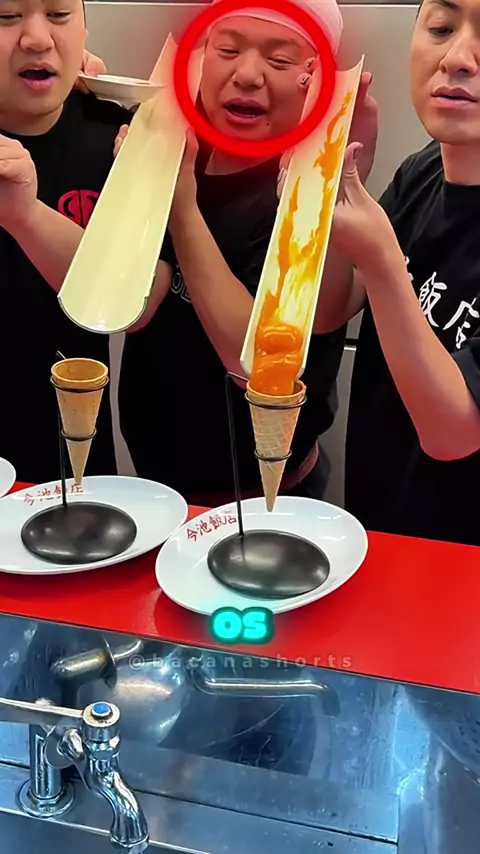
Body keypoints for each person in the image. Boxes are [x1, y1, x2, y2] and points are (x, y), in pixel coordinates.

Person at [118, 0, 349, 505]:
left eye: (279, 59)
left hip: (265, 494)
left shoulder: (311, 193)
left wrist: (182, 211)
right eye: (227, 50)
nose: (246, 74)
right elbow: (138, 299)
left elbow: (257, 364)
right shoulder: (175, 147)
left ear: (314, 79)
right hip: (156, 481)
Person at [305, 0, 480, 546]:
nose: (457, 58)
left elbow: (453, 432)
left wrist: (382, 261)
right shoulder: (421, 171)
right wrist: (336, 177)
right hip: (383, 532)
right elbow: (331, 308)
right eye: (441, 28)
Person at [0, 0, 141, 483]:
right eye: (6, 17)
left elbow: (134, 304)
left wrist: (26, 215)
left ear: (84, 30)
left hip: (76, 457)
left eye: (59, 15)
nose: (37, 38)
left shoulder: (117, 136)